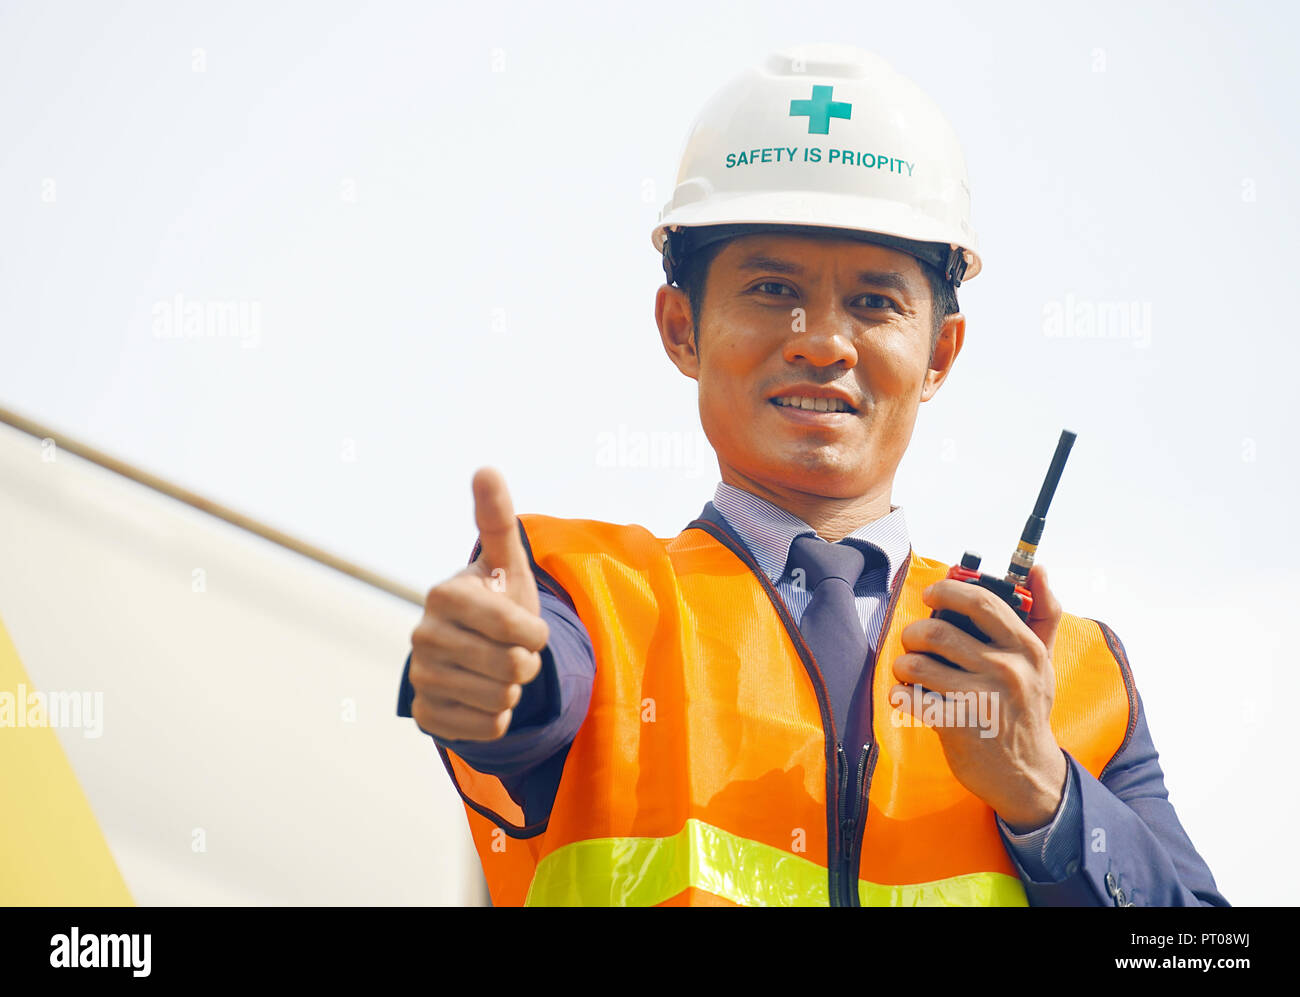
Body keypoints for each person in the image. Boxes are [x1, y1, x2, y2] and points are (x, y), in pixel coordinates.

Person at [397, 43, 1228, 907]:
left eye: (875, 302)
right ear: (681, 326)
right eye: (769, 287)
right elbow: (528, 684)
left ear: (940, 352)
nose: (821, 340)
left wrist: (1045, 794)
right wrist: (491, 673)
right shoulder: (580, 598)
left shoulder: (1074, 674)